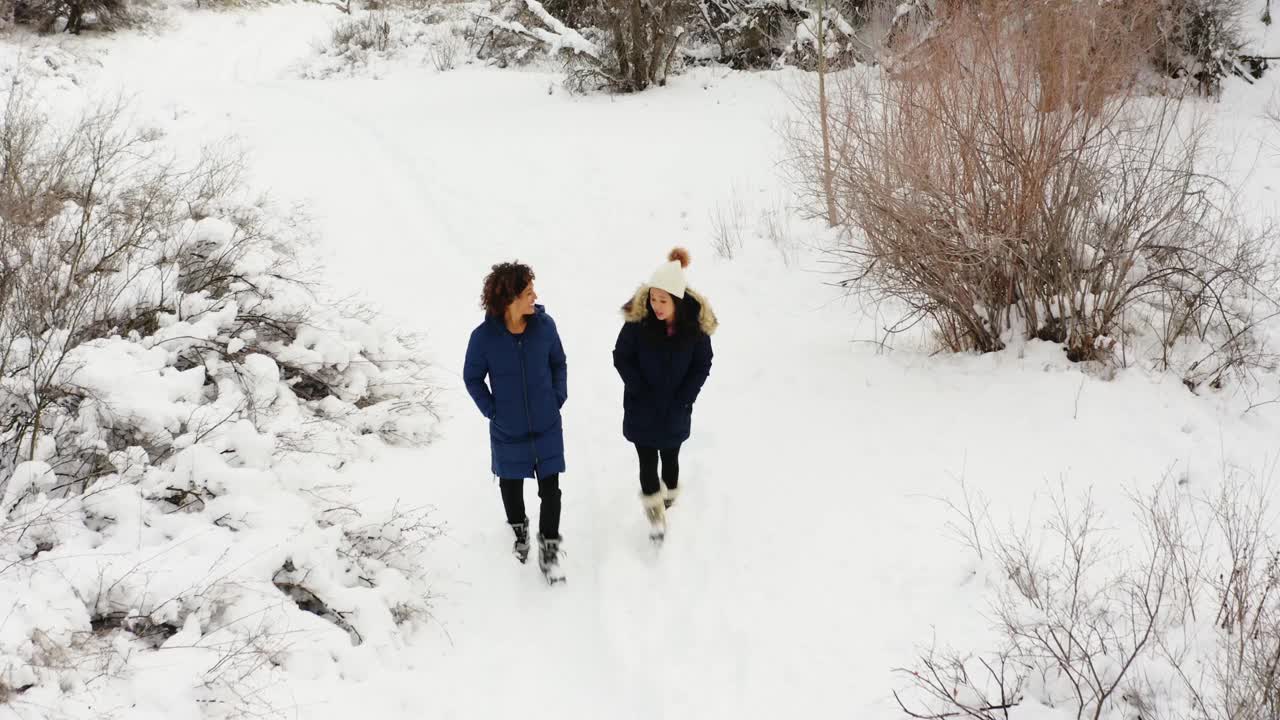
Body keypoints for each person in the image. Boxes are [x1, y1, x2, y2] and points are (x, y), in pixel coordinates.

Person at [464, 262, 568, 583]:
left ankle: (549, 548)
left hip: (546, 424)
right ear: (509, 299)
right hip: (508, 428)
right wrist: (493, 411)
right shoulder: (483, 339)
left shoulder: (545, 326)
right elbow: (472, 378)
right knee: (511, 486)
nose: (534, 296)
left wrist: (557, 397)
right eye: (527, 293)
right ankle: (519, 529)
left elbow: (558, 363)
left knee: (551, 491)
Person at [612, 248, 717, 542]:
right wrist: (638, 388)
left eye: (663, 300)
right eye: (653, 298)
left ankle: (669, 497)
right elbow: (622, 357)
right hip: (641, 406)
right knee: (647, 460)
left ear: (677, 301)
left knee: (670, 458)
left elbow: (702, 363)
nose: (656, 305)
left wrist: (686, 396)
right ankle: (655, 515)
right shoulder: (638, 324)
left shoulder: (694, 329)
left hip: (676, 407)